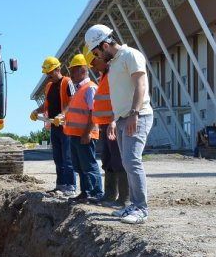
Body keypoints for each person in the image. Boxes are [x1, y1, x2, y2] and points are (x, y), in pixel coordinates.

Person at [85, 24, 154, 224]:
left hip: (138, 115)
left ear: (105, 45)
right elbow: (119, 96)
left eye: (96, 52)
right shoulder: (114, 64)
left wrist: (134, 113)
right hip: (122, 118)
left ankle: (141, 208)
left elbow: (141, 84)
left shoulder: (130, 55)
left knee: (132, 160)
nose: (97, 57)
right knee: (125, 162)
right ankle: (133, 205)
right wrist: (115, 120)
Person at [83, 44, 130, 208]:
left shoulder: (113, 74)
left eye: (94, 63)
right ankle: (110, 194)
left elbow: (118, 99)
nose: (94, 68)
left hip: (114, 123)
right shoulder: (105, 76)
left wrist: (114, 121)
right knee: (108, 160)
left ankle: (124, 198)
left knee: (119, 160)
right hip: (105, 125)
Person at [30, 56, 77, 197]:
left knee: (67, 158)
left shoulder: (67, 82)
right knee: (58, 157)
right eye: (47, 72)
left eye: (50, 72)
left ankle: (71, 186)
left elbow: (73, 101)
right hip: (54, 126)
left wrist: (62, 115)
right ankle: (61, 185)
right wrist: (36, 111)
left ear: (58, 69)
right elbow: (46, 105)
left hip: (65, 125)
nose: (48, 75)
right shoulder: (49, 86)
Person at [63, 54, 103, 203]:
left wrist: (86, 133)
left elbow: (95, 112)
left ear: (82, 70)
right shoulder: (80, 89)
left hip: (85, 134)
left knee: (89, 165)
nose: (70, 74)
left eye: (73, 71)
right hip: (76, 135)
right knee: (79, 166)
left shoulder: (90, 88)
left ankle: (96, 193)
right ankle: (85, 192)